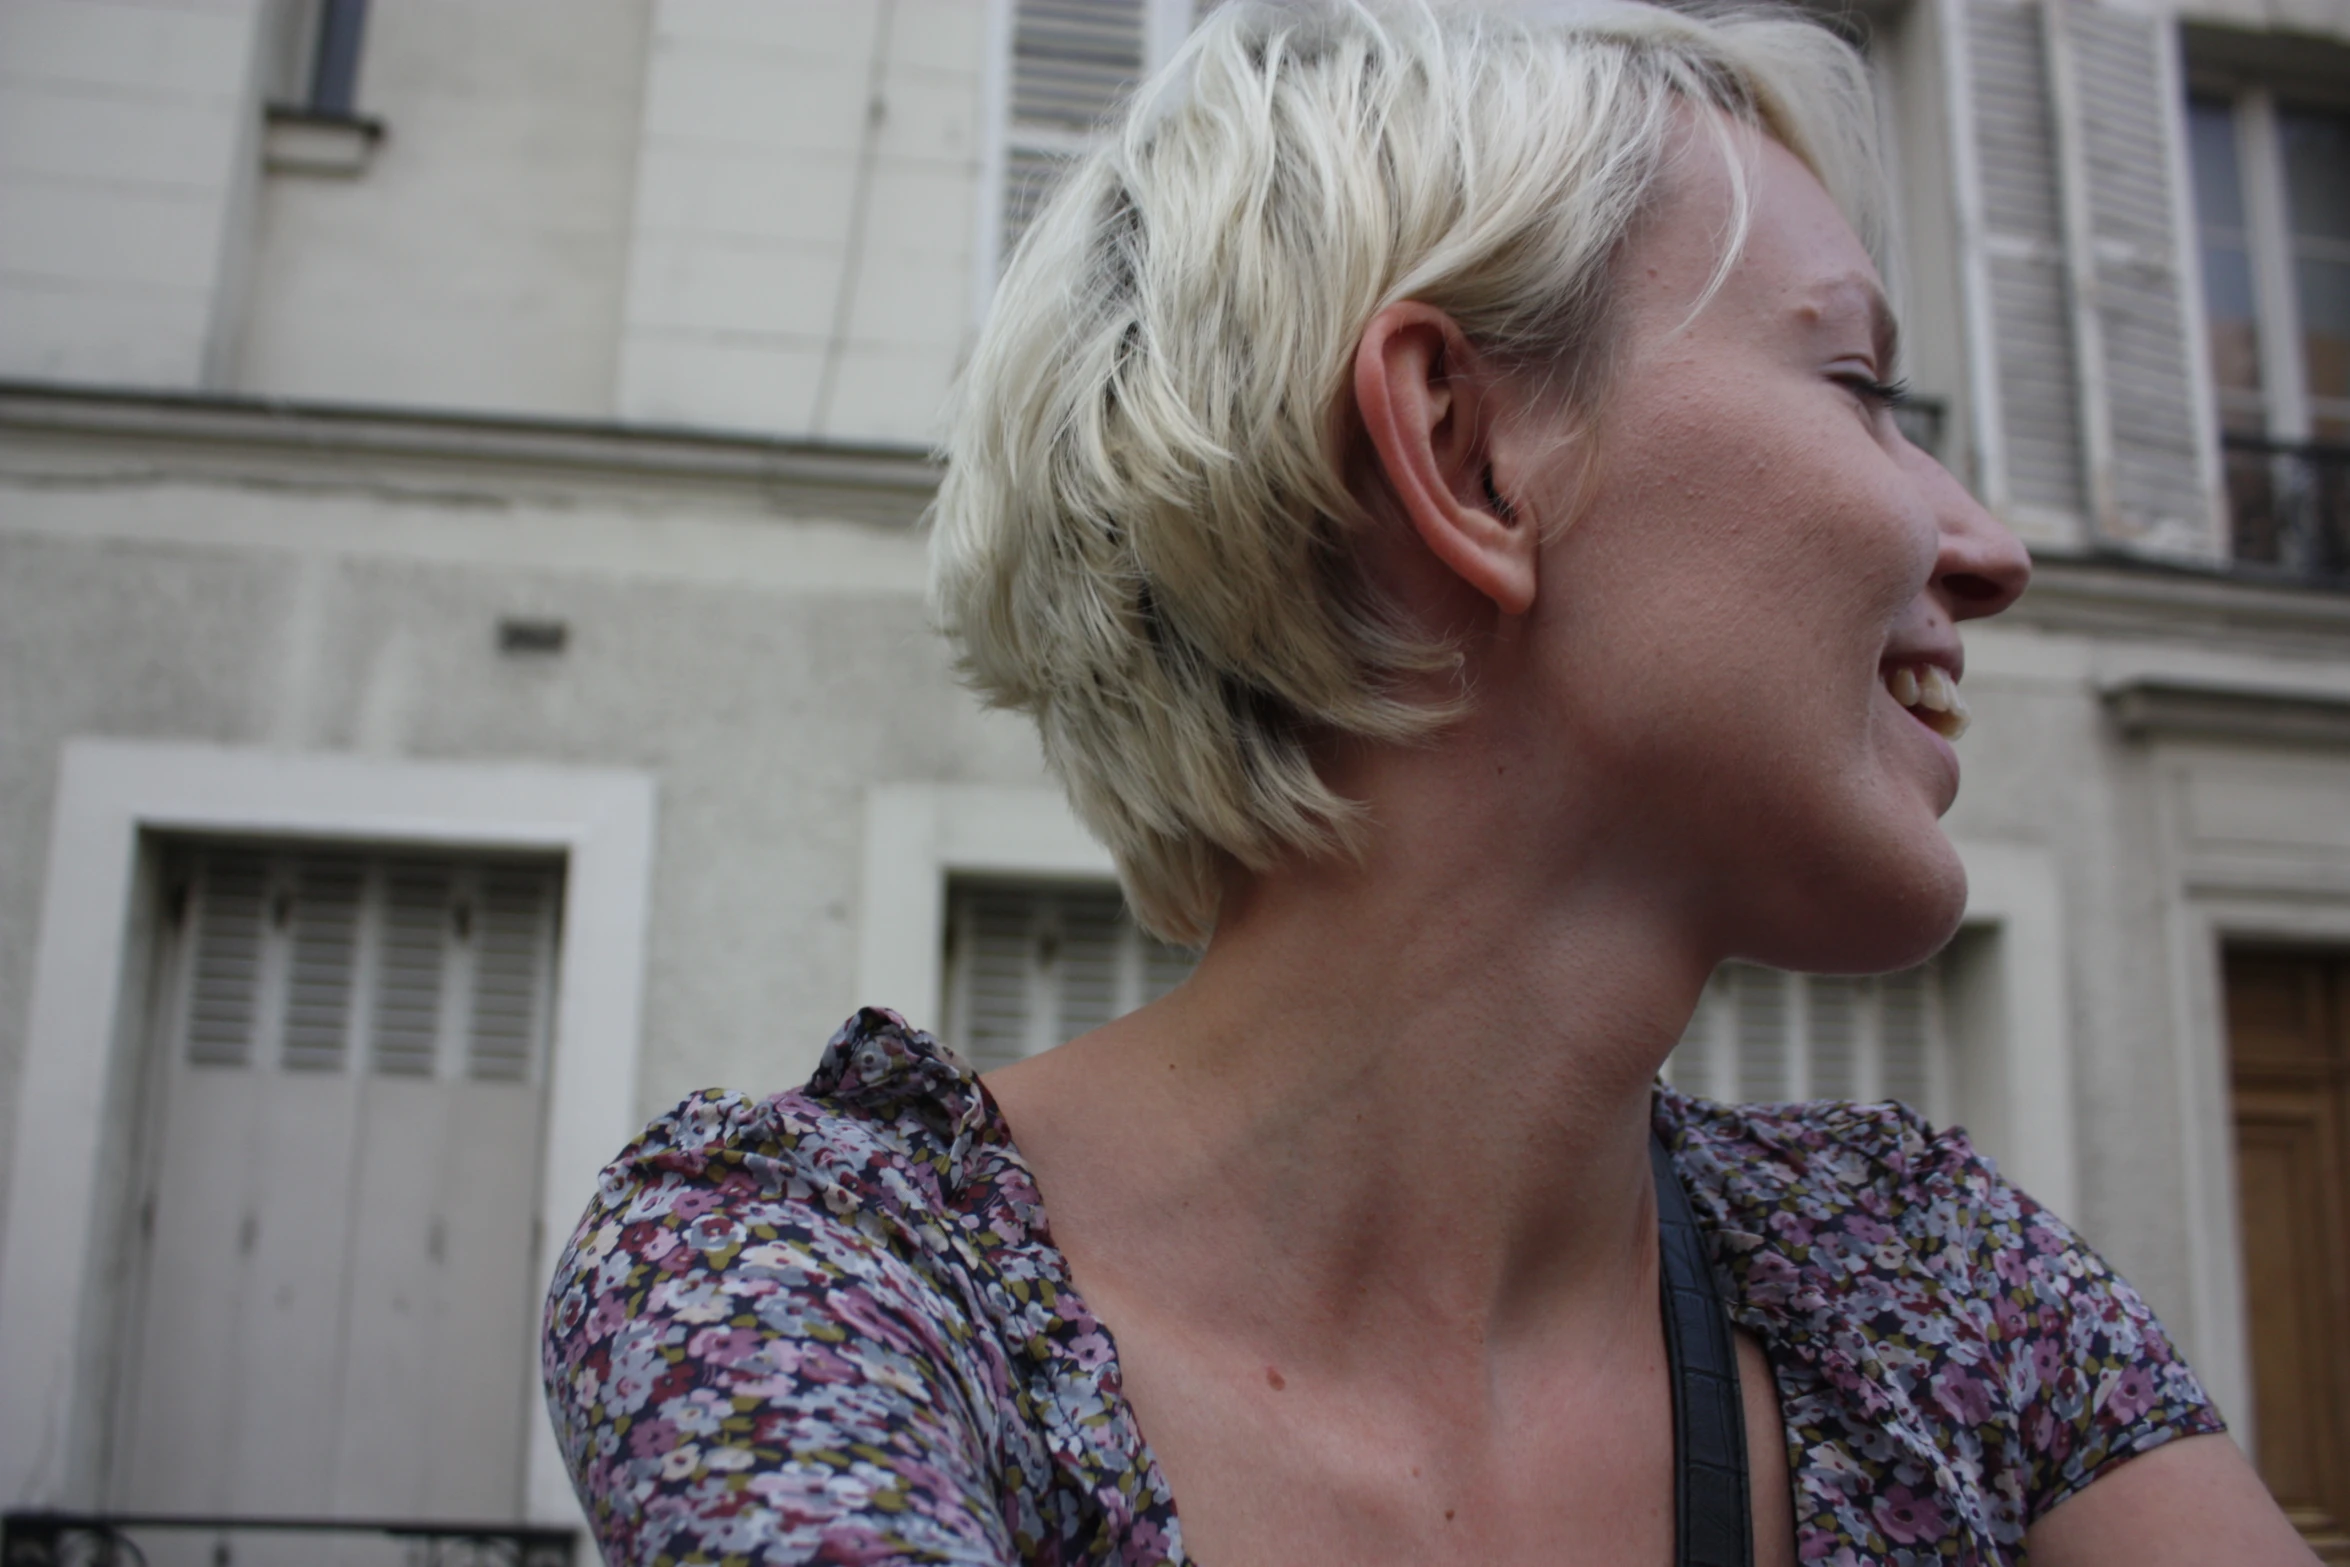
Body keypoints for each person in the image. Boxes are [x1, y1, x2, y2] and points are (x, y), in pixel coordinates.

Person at [541, 2, 2320, 1562]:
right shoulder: (816, 1281)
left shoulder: (1931, 1286)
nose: (1987, 547)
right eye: (1855, 381)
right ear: (1465, 453)